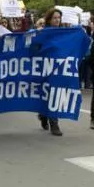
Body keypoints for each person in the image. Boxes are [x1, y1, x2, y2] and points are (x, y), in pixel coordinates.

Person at [37, 8, 64, 136]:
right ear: (49, 19)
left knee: (55, 94)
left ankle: (54, 123)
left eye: (59, 17)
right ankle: (43, 115)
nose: (57, 20)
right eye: (55, 17)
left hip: (58, 68)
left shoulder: (64, 32)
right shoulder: (44, 32)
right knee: (46, 94)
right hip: (45, 67)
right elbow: (35, 46)